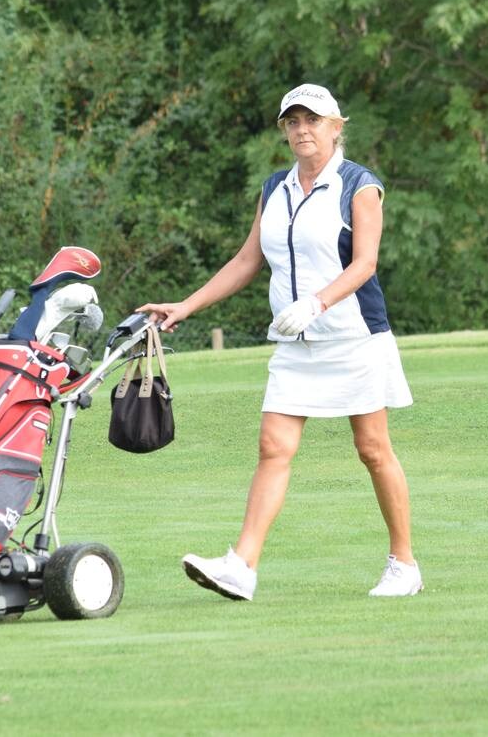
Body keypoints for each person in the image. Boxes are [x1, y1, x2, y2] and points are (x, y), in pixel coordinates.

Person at [139, 83, 421, 600]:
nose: (302, 130)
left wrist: (316, 304)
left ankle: (404, 564)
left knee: (373, 449)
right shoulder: (274, 188)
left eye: (312, 120)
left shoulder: (359, 185)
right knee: (273, 447)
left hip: (353, 336)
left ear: (337, 127)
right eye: (292, 121)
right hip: (296, 345)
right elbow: (248, 261)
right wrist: (185, 305)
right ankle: (241, 566)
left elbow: (365, 264)